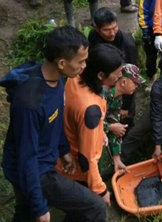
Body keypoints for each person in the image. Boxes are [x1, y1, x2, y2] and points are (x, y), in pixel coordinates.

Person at [0, 26, 106, 222]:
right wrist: (40, 207)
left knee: (25, 211)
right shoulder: (30, 103)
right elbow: (27, 157)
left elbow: (55, 120)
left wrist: (63, 150)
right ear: (62, 62)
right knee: (95, 208)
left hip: (41, 161)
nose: (84, 66)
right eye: (81, 62)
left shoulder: (57, 80)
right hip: (35, 170)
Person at [57, 43, 124, 209]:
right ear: (101, 75)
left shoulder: (76, 78)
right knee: (89, 210)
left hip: (64, 146)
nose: (120, 76)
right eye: (117, 73)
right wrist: (100, 190)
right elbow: (87, 158)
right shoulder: (90, 110)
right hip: (77, 168)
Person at [89, 7, 138, 126]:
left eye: (114, 28)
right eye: (107, 30)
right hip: (101, 85)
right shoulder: (93, 37)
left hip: (122, 89)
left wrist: (126, 106)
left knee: (124, 121)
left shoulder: (128, 44)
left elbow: (131, 77)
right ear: (97, 29)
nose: (112, 33)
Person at [103, 64, 145, 173]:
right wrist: (110, 127)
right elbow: (89, 121)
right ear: (123, 82)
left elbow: (114, 122)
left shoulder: (118, 98)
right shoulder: (103, 94)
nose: (136, 87)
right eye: (135, 83)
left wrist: (116, 157)